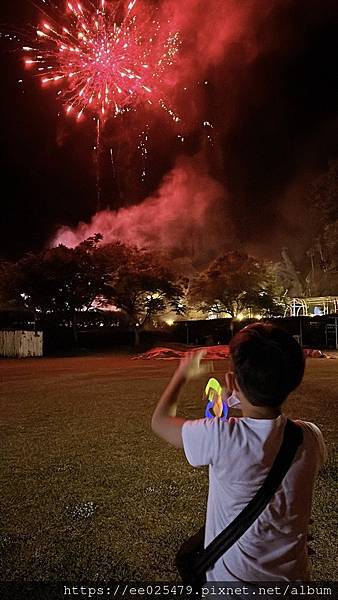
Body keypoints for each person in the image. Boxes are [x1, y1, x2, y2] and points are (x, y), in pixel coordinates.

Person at [151, 323, 326, 582]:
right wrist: (236, 397)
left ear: (232, 380)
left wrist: (182, 374)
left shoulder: (221, 437)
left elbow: (160, 421)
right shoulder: (310, 436)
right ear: (294, 381)